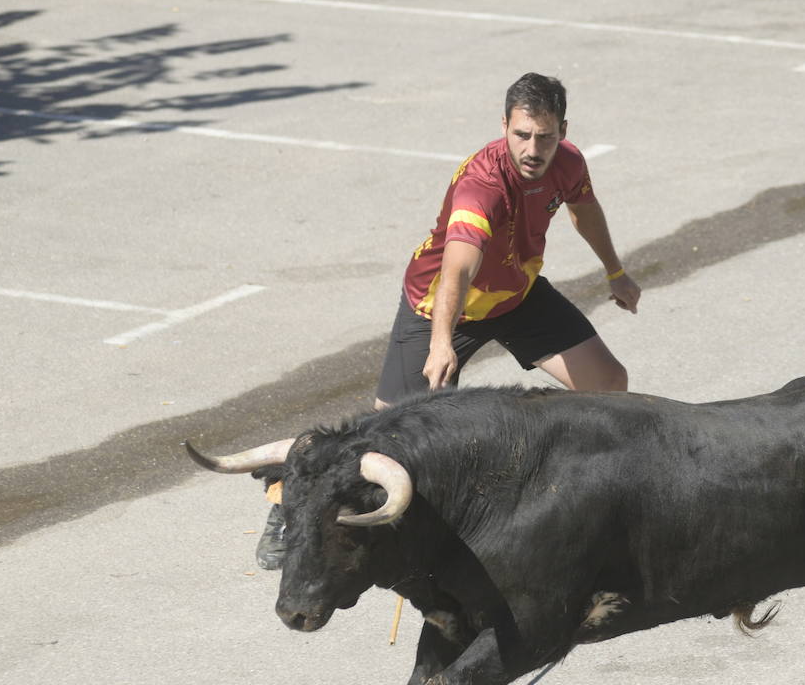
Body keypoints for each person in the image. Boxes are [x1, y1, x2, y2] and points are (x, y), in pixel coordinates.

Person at [256, 72, 641, 569]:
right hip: (440, 305)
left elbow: (584, 212)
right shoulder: (481, 187)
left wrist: (616, 272)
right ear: (504, 125)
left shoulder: (566, 163)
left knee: (609, 384)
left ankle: (583, 495)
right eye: (522, 134)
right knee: (388, 438)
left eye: (545, 137)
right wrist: (442, 342)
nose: (533, 148)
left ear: (562, 131)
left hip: (517, 295)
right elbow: (456, 271)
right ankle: (285, 493)